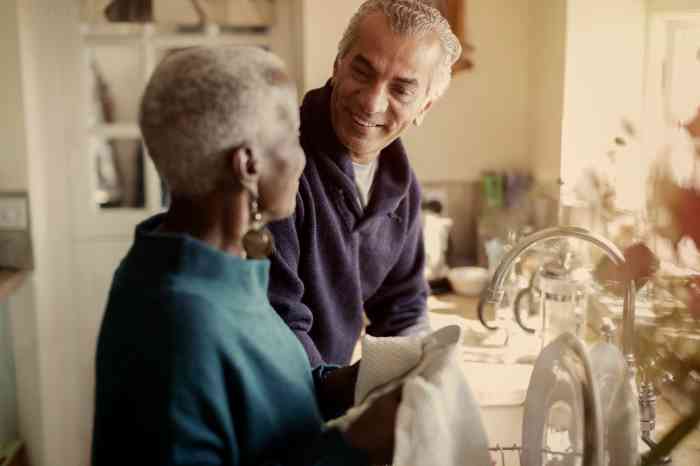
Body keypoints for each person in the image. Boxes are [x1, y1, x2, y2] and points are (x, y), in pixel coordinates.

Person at [91, 45, 400, 466]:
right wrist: (354, 447)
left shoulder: (222, 267)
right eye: (292, 138)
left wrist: (354, 382)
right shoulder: (179, 323)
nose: (302, 157)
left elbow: (270, 395)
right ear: (248, 164)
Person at [268, 0, 463, 367]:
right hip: (278, 401)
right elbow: (278, 325)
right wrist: (342, 398)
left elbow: (403, 308)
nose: (373, 103)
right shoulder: (279, 165)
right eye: (362, 72)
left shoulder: (399, 186)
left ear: (424, 107)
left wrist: (411, 375)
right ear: (337, 65)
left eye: (401, 90)